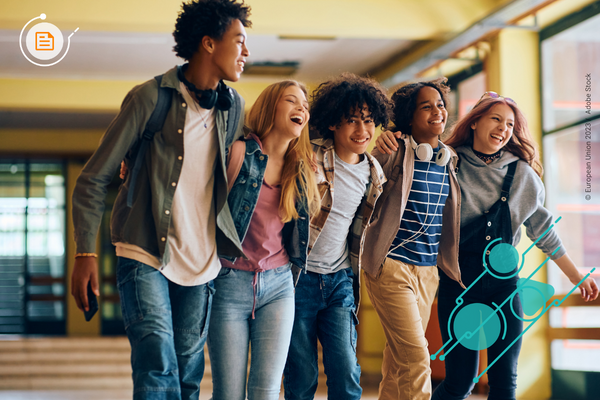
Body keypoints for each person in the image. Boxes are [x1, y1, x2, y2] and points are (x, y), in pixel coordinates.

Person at [70, 1, 251, 398]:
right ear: (207, 43)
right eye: (238, 41)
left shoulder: (233, 107)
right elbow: (92, 180)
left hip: (202, 263)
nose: (246, 52)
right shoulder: (149, 98)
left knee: (187, 375)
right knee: (157, 365)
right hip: (144, 251)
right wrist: (85, 254)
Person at [376, 91, 599, 400]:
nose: (503, 128)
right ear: (476, 121)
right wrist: (390, 138)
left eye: (510, 124)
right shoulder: (448, 161)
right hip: (458, 285)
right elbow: (408, 163)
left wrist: (576, 276)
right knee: (459, 382)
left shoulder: (522, 175)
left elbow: (543, 230)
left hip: (504, 289)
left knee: (505, 383)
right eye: (496, 119)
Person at [208, 80, 320, 400]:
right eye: (292, 101)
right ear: (271, 107)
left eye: (305, 105)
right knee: (228, 393)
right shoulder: (239, 153)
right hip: (229, 281)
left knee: (267, 391)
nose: (302, 108)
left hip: (279, 284)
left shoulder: (301, 167)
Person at [282, 73, 392, 400]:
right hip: (298, 277)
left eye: (369, 122)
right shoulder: (308, 155)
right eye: (352, 122)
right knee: (301, 375)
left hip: (341, 280)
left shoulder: (374, 172)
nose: (362, 131)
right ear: (332, 123)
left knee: (346, 372)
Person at [362, 78, 463, 400]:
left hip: (427, 271)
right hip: (392, 266)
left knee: (398, 359)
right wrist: (381, 144)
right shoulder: (396, 150)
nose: (437, 111)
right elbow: (366, 178)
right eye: (426, 106)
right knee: (417, 357)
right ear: (408, 116)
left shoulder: (449, 160)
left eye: (440, 104)